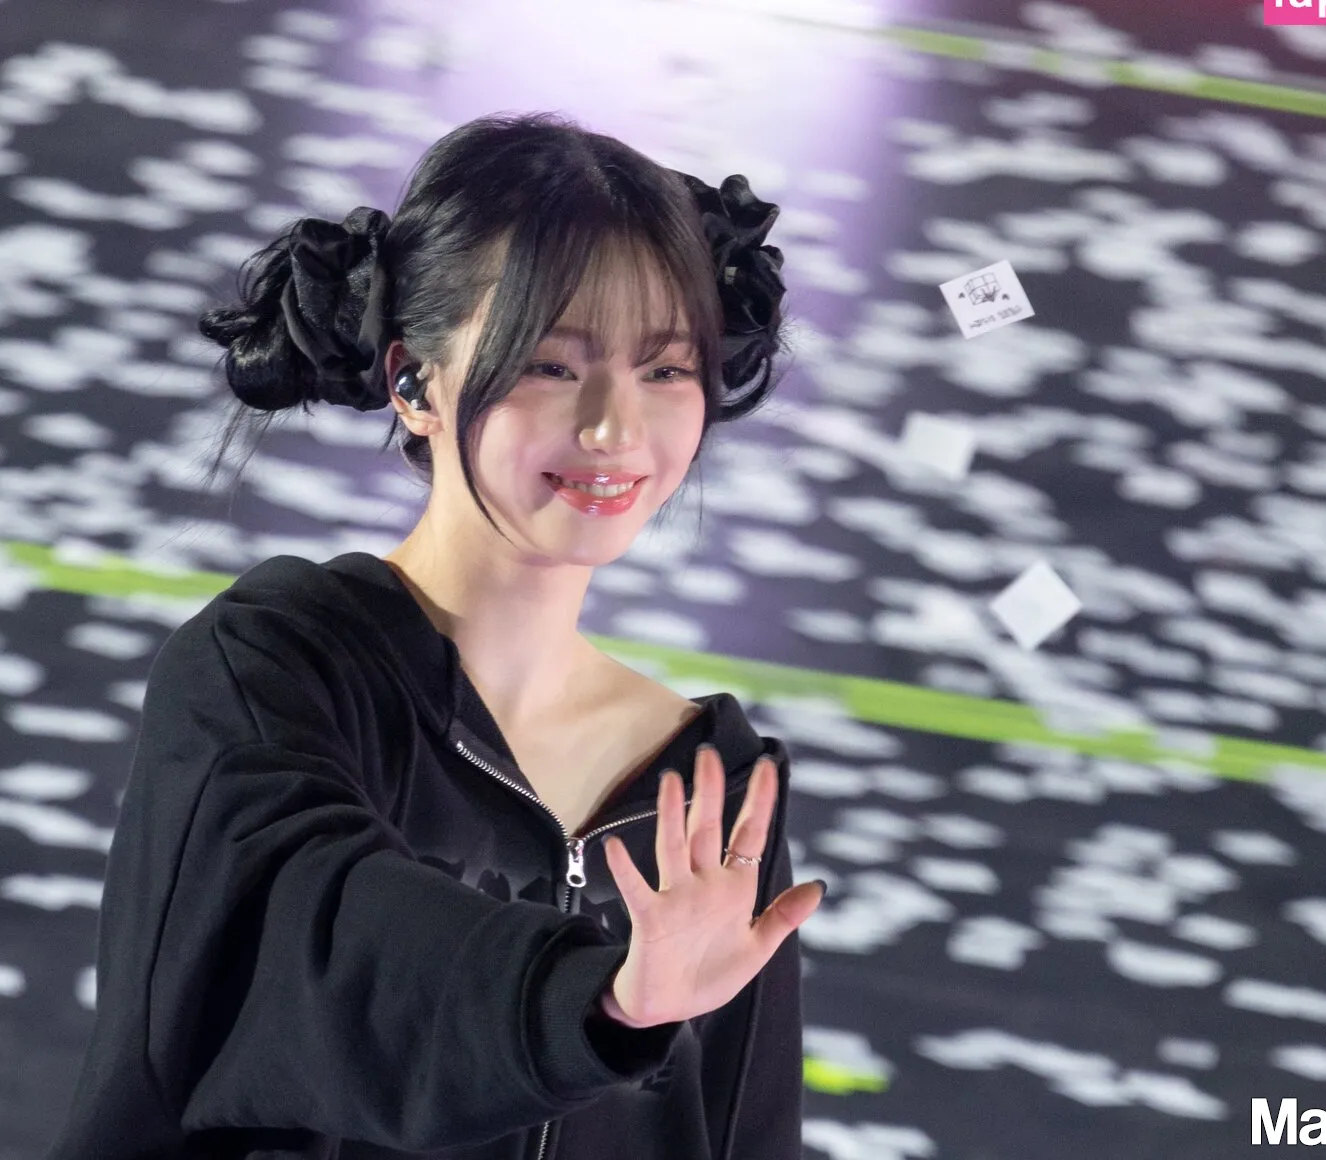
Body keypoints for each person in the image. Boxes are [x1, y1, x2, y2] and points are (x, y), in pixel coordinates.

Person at [45, 112, 825, 1160]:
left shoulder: (711, 782)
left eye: (666, 370)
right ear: (415, 381)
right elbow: (321, 943)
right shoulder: (272, 670)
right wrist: (599, 1003)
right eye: (551, 365)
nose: (614, 427)